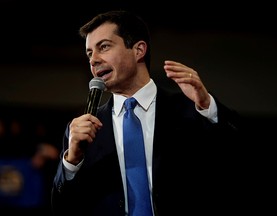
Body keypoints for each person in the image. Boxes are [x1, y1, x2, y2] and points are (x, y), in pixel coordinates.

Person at [51, 10, 247, 216]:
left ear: (139, 50)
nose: (94, 60)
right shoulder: (83, 130)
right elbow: (62, 208)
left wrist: (208, 106)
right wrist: (71, 162)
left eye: (104, 47)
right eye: (89, 53)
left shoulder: (191, 110)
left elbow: (236, 162)